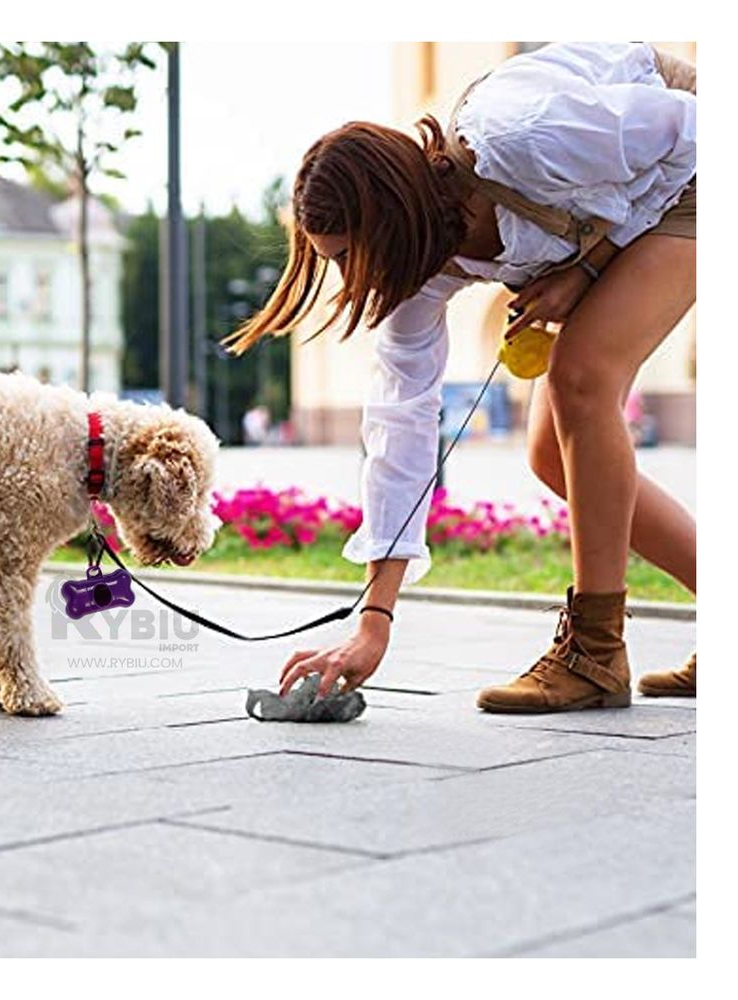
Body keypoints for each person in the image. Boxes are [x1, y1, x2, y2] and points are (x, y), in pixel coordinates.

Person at [223, 42, 697, 712]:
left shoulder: (520, 135)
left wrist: (589, 269)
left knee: (581, 379)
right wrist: (372, 624)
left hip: (694, 163)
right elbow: (400, 425)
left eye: (349, 254)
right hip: (619, 207)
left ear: (393, 218)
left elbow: (693, 132)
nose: (347, 276)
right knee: (549, 455)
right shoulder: (418, 266)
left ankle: (595, 654)